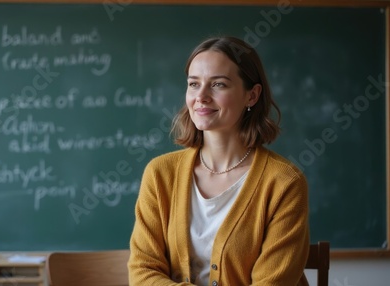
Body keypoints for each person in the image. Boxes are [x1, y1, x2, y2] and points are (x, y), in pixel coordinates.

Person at [128, 36, 310, 286]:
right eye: (193, 84)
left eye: (218, 85)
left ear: (252, 95)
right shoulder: (160, 173)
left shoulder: (284, 182)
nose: (201, 97)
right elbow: (142, 271)